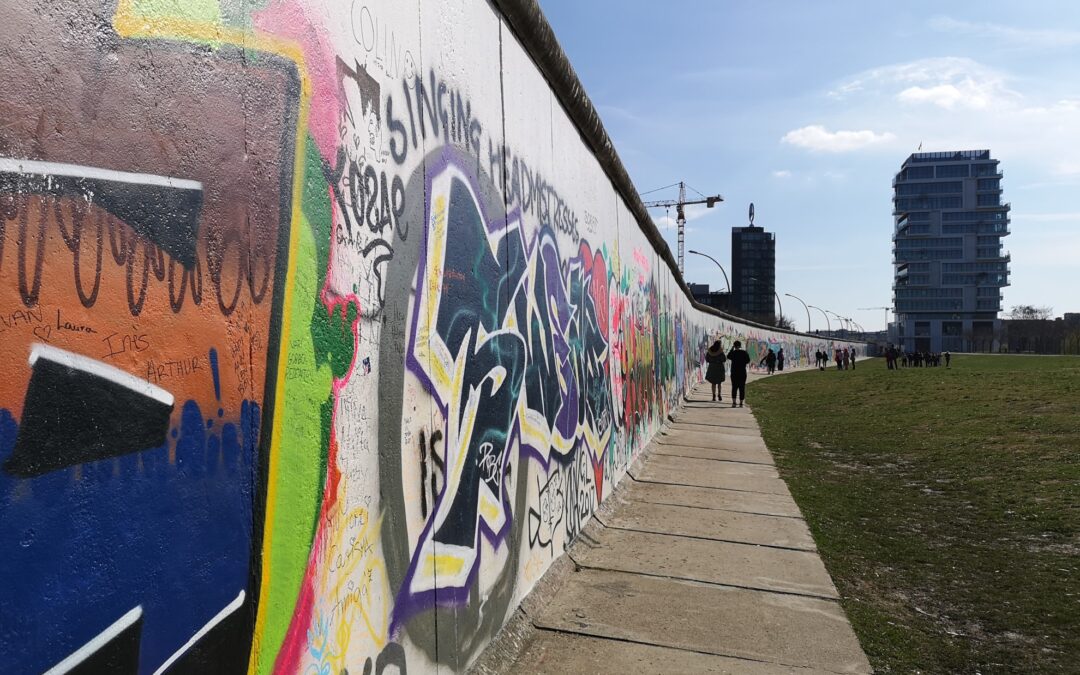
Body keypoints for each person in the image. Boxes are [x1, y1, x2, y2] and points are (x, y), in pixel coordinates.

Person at [727, 340, 750, 407]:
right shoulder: (744, 352)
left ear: (734, 346)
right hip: (742, 372)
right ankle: (741, 403)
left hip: (734, 372)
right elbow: (748, 360)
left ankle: (734, 403)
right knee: (742, 387)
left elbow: (728, 356)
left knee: (734, 387)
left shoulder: (733, 353)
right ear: (740, 345)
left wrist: (731, 349)